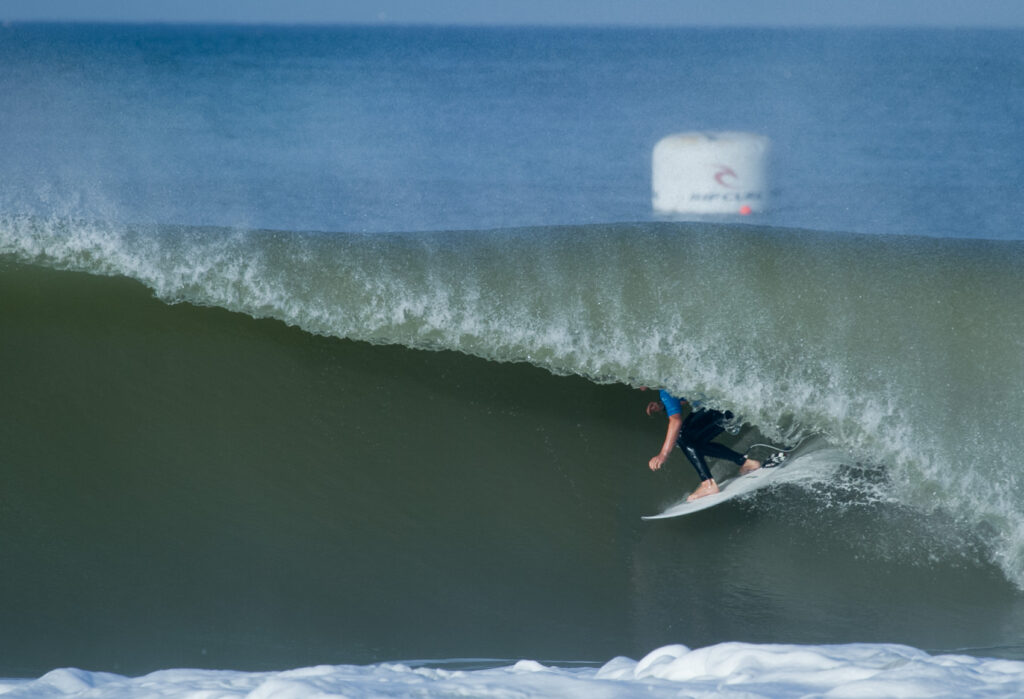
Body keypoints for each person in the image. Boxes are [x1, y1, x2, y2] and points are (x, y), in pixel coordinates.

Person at [644, 389, 761, 501]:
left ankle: (708, 484)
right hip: (729, 405)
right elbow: (686, 396)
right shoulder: (669, 380)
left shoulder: (664, 390)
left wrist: (663, 454)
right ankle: (746, 463)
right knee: (692, 442)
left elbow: (676, 421)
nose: (640, 388)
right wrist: (663, 405)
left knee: (682, 436)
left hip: (722, 408)